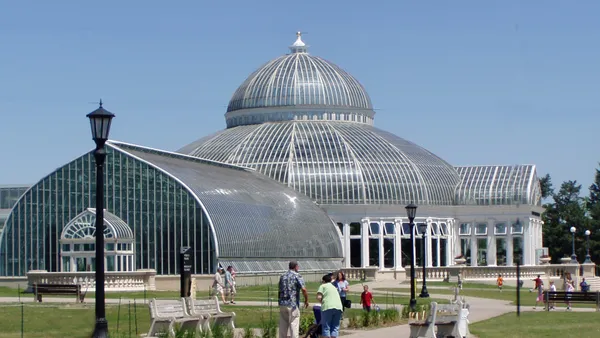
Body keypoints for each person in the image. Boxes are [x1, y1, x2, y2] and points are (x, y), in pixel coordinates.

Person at [278, 261, 309, 338]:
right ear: (296, 267)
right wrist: (306, 300)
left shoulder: (282, 276)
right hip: (293, 304)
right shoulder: (297, 276)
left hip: (283, 303)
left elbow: (279, 289)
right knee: (294, 324)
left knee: (283, 325)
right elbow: (304, 289)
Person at [317, 274, 343, 338]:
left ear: (324, 281)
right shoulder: (334, 287)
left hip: (327, 307)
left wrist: (322, 302)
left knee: (326, 326)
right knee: (335, 326)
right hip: (338, 307)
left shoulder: (323, 286)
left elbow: (319, 297)